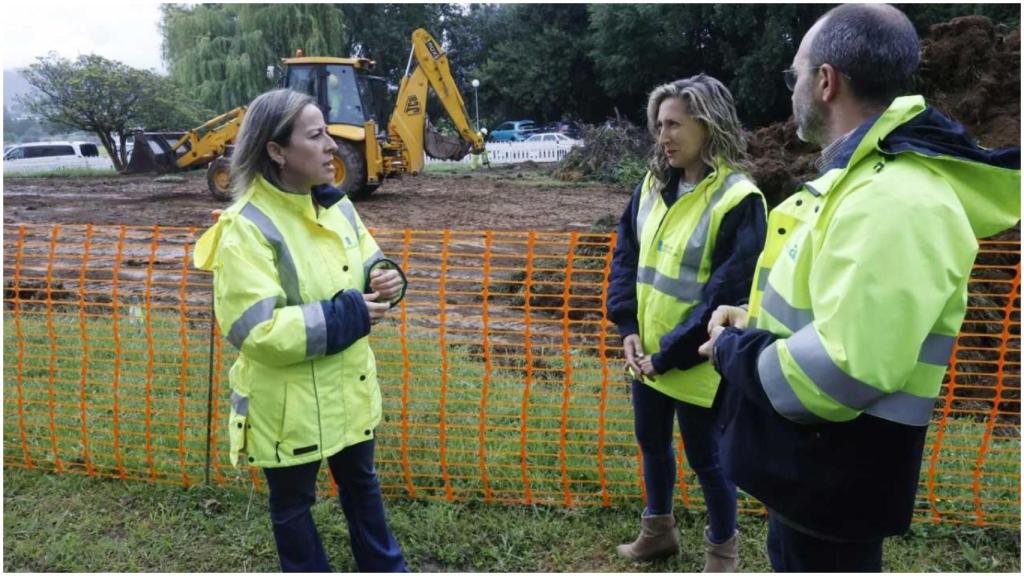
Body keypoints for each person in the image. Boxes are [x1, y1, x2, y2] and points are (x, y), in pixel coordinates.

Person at [699, 4, 1020, 572]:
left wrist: (731, 351)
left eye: (793, 75)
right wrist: (752, 323)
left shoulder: (895, 200)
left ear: (826, 81)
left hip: (834, 485)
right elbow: (833, 318)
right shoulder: (859, 185)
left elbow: (844, 371)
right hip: (812, 477)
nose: (791, 88)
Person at [194, 88, 409, 572]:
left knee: (363, 487)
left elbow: (369, 261)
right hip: (287, 407)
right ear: (277, 151)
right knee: (293, 508)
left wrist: (386, 276)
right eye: (316, 135)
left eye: (328, 132)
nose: (331, 145)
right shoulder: (244, 229)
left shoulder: (338, 206)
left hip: (349, 390)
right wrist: (347, 315)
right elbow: (257, 331)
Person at [607, 74, 767, 571]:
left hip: (699, 363)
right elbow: (626, 258)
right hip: (648, 355)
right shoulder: (652, 186)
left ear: (707, 124)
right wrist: (628, 327)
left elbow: (725, 293)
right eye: (659, 125)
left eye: (674, 124)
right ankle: (658, 533)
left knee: (710, 463)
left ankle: (723, 553)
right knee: (652, 445)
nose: (663, 136)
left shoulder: (740, 200)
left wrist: (667, 355)